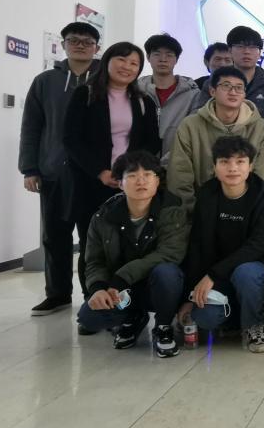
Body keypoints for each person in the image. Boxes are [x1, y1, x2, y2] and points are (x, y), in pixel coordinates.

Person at [64, 42, 161, 328]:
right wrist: (101, 172)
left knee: (127, 243)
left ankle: (125, 302)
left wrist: (132, 172)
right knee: (92, 244)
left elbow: (151, 141)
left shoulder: (143, 101)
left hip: (130, 183)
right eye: (122, 60)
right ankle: (93, 299)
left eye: (134, 63)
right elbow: (71, 140)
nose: (127, 67)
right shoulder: (85, 94)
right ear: (107, 61)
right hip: (91, 181)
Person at [19, 20, 101, 316]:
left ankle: (93, 294)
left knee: (93, 238)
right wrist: (30, 168)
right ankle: (57, 294)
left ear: (97, 47)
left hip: (93, 174)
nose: (80, 45)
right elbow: (31, 126)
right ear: (63, 43)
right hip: (54, 170)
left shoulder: (104, 79)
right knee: (55, 235)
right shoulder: (45, 81)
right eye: (74, 40)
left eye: (87, 41)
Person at [76, 151, 188, 357]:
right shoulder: (103, 217)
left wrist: (121, 277)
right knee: (89, 317)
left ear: (157, 181)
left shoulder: (173, 211)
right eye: (132, 176)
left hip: (160, 288)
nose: (141, 181)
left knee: (167, 272)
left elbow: (170, 254)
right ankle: (133, 318)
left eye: (148, 175)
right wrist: (98, 288)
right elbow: (94, 261)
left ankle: (163, 326)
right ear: (120, 183)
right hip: (121, 292)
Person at [179, 136, 264, 352]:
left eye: (240, 161)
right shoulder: (207, 194)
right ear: (215, 167)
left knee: (246, 273)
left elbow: (257, 246)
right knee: (204, 319)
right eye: (224, 162)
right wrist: (188, 295)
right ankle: (236, 314)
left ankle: (253, 326)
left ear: (250, 166)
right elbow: (197, 245)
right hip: (218, 273)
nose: (233, 168)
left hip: (255, 268)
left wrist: (212, 275)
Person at [168, 65, 264, 210]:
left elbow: (259, 176)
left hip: (243, 209)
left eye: (239, 88)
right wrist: (192, 210)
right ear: (212, 91)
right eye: (226, 86)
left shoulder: (259, 127)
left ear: (244, 93)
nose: (233, 92)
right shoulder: (190, 125)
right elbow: (180, 174)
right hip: (198, 208)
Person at [137, 33, 199, 166]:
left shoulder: (193, 95)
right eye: (157, 54)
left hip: (178, 164)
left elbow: (193, 133)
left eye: (169, 55)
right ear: (148, 57)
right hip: (140, 165)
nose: (163, 59)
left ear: (176, 59)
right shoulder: (136, 92)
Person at [191, 26, 264, 117]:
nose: (246, 51)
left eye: (252, 47)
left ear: (259, 53)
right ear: (230, 50)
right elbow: (199, 115)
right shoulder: (213, 82)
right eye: (240, 46)